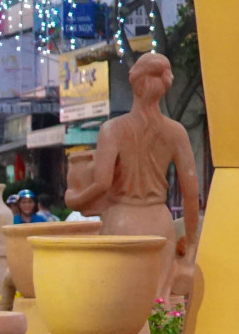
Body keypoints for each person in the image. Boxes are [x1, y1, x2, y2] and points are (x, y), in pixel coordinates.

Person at [66, 50, 202, 299]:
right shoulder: (176, 132)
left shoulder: (112, 130)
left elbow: (102, 184)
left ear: (135, 84)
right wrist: (191, 243)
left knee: (119, 301)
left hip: (122, 221)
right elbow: (191, 194)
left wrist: (73, 200)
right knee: (158, 302)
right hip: (159, 224)